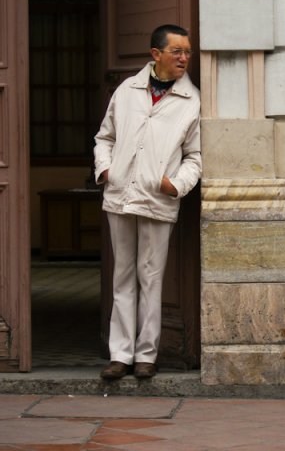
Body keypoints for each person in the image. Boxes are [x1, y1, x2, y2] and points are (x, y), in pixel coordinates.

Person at [94, 24, 201, 379]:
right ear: (156, 55)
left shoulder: (191, 100)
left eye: (187, 51)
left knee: (151, 278)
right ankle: (120, 355)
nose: (185, 57)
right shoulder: (127, 90)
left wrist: (176, 185)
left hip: (158, 199)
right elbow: (104, 137)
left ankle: (146, 356)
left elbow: (195, 157)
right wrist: (106, 169)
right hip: (121, 195)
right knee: (122, 277)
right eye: (177, 51)